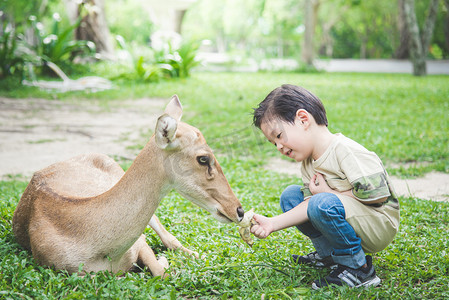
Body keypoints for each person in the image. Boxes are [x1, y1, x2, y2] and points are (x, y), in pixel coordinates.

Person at [250, 84, 400, 289]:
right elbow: (309, 204)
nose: (278, 147)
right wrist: (271, 223)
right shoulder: (308, 163)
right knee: (292, 197)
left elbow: (378, 196)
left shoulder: (346, 151)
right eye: (272, 143)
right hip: (349, 215)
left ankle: (359, 269)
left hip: (377, 223)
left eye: (278, 136)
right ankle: (331, 257)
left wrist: (329, 194)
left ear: (303, 120)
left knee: (321, 202)